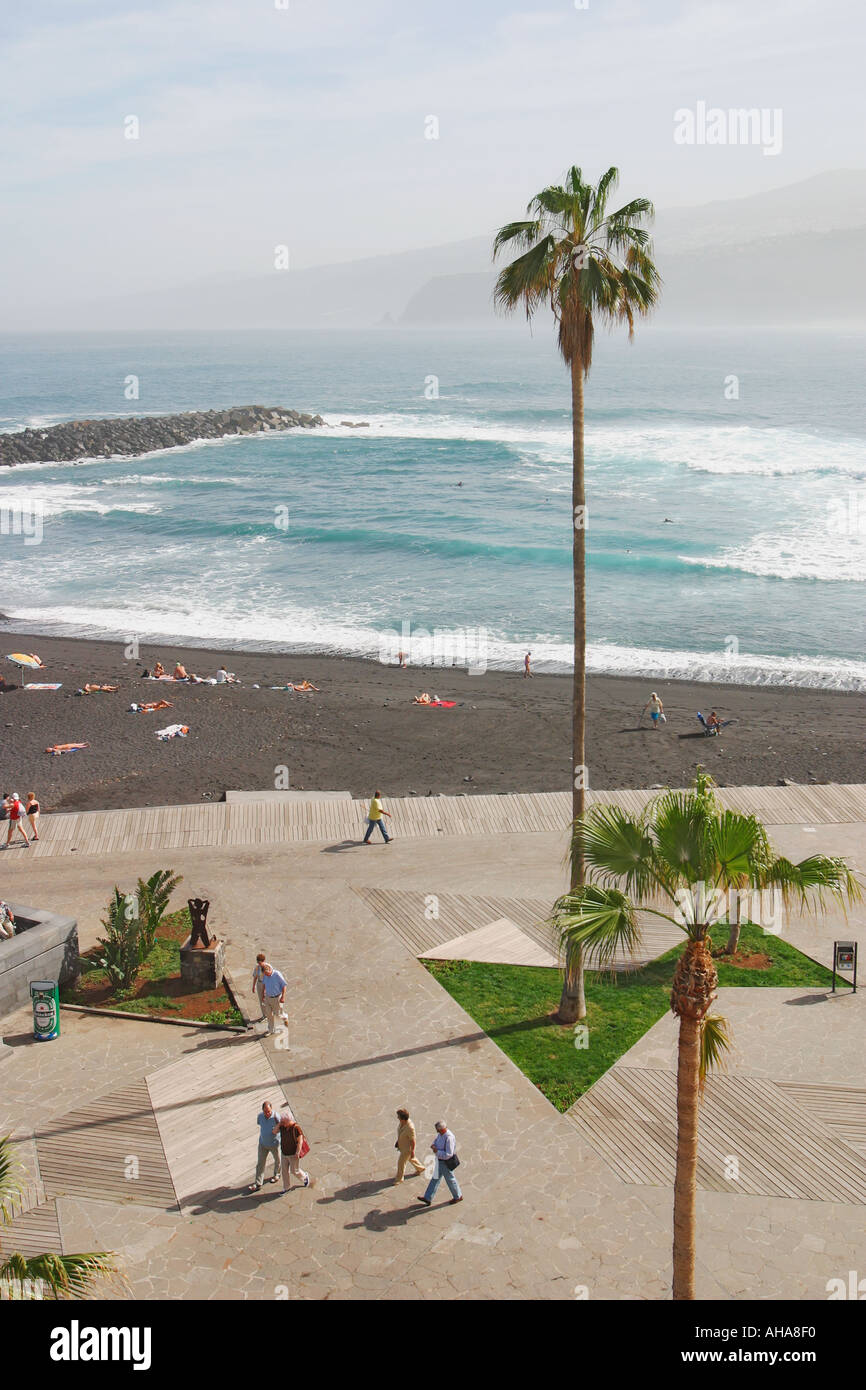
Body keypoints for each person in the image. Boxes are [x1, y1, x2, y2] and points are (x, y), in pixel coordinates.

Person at [416, 1120, 462, 1206]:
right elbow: (436, 1140)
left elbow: (449, 1154)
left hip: (445, 1163)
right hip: (440, 1161)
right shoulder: (441, 1135)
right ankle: (428, 1197)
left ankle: (458, 1196)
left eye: (438, 1130)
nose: (437, 1132)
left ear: (442, 1129)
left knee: (450, 1180)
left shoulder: (449, 1138)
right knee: (435, 1178)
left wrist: (437, 1151)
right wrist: (434, 1145)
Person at [248, 1099, 285, 1191]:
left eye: (268, 1111)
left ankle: (277, 1174)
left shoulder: (276, 1117)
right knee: (260, 1163)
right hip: (263, 1144)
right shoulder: (260, 1116)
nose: (267, 1113)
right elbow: (260, 1124)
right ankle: (258, 1183)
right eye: (265, 1112)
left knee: (278, 1160)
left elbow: (283, 1127)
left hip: (274, 1144)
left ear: (271, 1109)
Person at [276, 1113, 310, 1190]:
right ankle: (286, 1187)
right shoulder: (282, 1126)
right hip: (284, 1153)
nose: (283, 1124)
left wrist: (297, 1153)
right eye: (282, 1122)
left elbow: (300, 1141)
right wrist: (279, 1124)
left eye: (284, 1122)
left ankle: (305, 1177)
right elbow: (274, 1132)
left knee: (294, 1171)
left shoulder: (296, 1128)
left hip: (293, 1154)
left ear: (289, 1120)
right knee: (284, 1171)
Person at [394, 1108, 425, 1184]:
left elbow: (413, 1140)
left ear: (403, 1118)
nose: (397, 1118)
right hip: (402, 1146)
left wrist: (412, 1151)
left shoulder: (410, 1127)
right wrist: (398, 1141)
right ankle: (420, 1168)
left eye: (399, 1116)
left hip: (407, 1149)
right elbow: (401, 1133)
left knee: (401, 1163)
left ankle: (399, 1178)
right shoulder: (402, 1123)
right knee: (410, 1158)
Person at [260, 961, 288, 1035]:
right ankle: (271, 1030)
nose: (266, 975)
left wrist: (283, 997)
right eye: (265, 974)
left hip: (276, 998)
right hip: (268, 997)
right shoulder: (265, 975)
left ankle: (285, 1017)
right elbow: (263, 985)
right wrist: (262, 995)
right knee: (269, 1014)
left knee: (278, 1015)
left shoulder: (277, 974)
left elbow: (284, 985)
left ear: (269, 969)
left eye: (267, 973)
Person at [251, 952, 267, 1016]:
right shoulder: (257, 967)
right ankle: (264, 1014)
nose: (259, 964)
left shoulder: (267, 967)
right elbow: (255, 977)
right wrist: (253, 986)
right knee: (261, 999)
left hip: (266, 984)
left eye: (259, 962)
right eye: (258, 962)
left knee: (266, 998)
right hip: (259, 983)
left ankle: (269, 1012)